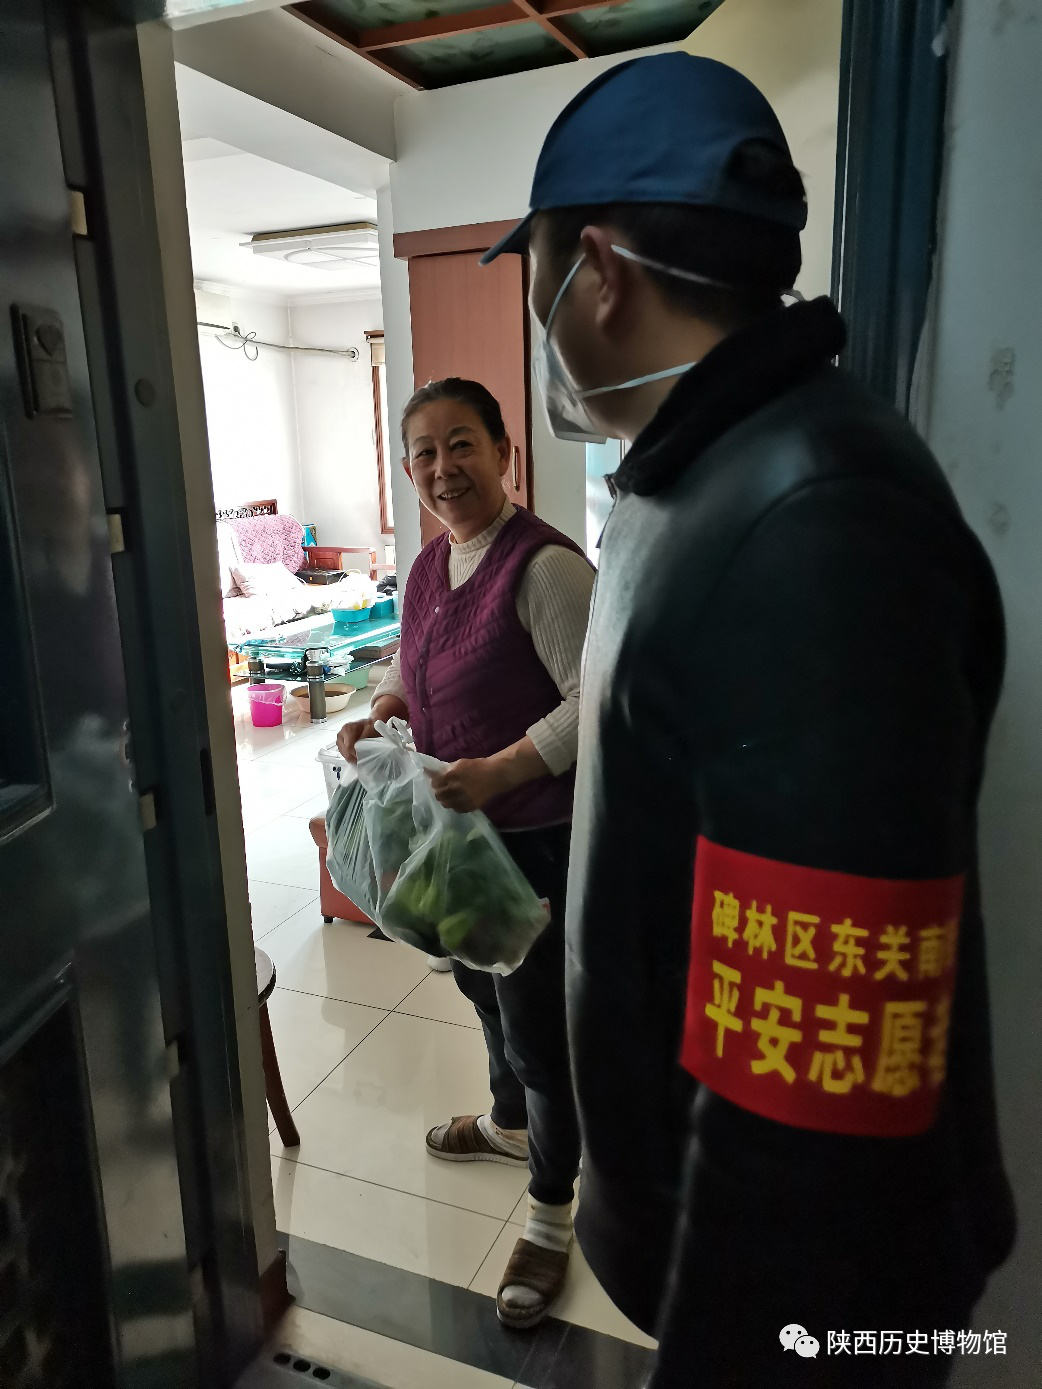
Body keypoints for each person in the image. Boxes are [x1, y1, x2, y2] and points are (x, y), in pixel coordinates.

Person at [481, 52, 1016, 1386]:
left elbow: (815, 1084)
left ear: (597, 270)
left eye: (534, 272)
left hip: (813, 1304)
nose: (538, 317)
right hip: (700, 1239)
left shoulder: (813, 522)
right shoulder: (694, 475)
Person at [336, 377, 594, 1327]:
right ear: (408, 471)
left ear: (504, 454)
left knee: (539, 1032)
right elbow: (413, 659)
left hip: (533, 839)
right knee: (479, 986)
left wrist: (505, 768)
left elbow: (600, 695)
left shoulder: (545, 568)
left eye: (462, 445)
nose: (443, 468)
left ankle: (551, 1213)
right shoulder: (428, 566)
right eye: (424, 452)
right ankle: (508, 1121)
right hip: (458, 841)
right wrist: (384, 707)